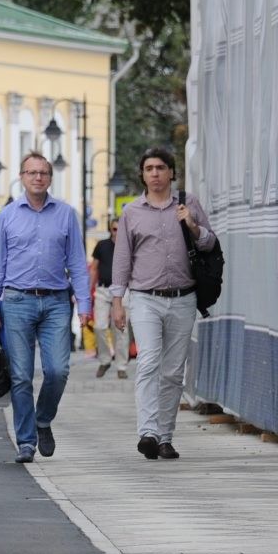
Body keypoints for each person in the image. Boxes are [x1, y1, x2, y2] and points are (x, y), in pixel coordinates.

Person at [111, 147, 215, 461]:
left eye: (160, 168)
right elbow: (122, 259)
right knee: (148, 362)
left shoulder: (189, 203)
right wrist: (117, 301)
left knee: (172, 372)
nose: (155, 173)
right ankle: (148, 432)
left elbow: (211, 242)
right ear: (142, 175)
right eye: (149, 168)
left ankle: (165, 437)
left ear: (171, 172)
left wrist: (193, 227)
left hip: (183, 299)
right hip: (145, 299)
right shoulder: (131, 212)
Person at [0, 152, 91, 464]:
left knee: (58, 370)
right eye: (32, 172)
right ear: (22, 176)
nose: (38, 177)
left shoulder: (66, 214)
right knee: (20, 376)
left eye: (43, 172)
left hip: (57, 301)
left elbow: (77, 262)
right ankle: (26, 442)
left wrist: (84, 305)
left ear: (50, 178)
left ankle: (42, 419)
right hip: (17, 300)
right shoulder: (6, 215)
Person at [90, 219, 129, 379]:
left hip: (123, 291)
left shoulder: (128, 245)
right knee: (99, 326)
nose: (117, 232)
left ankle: (121, 366)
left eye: (120, 229)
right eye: (114, 229)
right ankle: (105, 360)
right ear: (110, 230)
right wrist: (87, 291)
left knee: (121, 330)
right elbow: (94, 268)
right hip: (103, 290)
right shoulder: (101, 245)